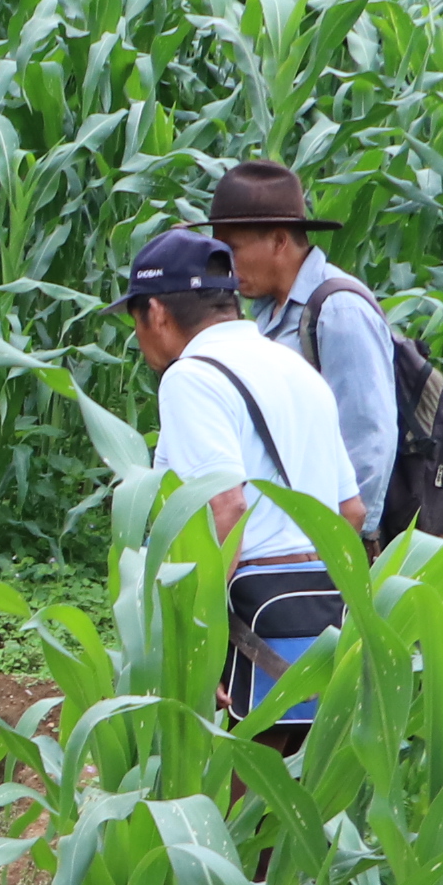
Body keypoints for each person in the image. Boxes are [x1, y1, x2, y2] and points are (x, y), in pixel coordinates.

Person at [123, 227, 364, 744]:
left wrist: (199, 641)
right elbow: (351, 511)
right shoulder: (296, 368)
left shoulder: (191, 378)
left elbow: (225, 508)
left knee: (240, 807)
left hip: (249, 627)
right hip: (324, 624)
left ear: (158, 313)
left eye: (135, 318)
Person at [213, 161, 395, 542]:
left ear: (279, 241)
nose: (226, 265)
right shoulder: (268, 312)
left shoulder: (338, 311)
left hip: (332, 541)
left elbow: (368, 438)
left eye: (232, 248)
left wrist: (351, 543)